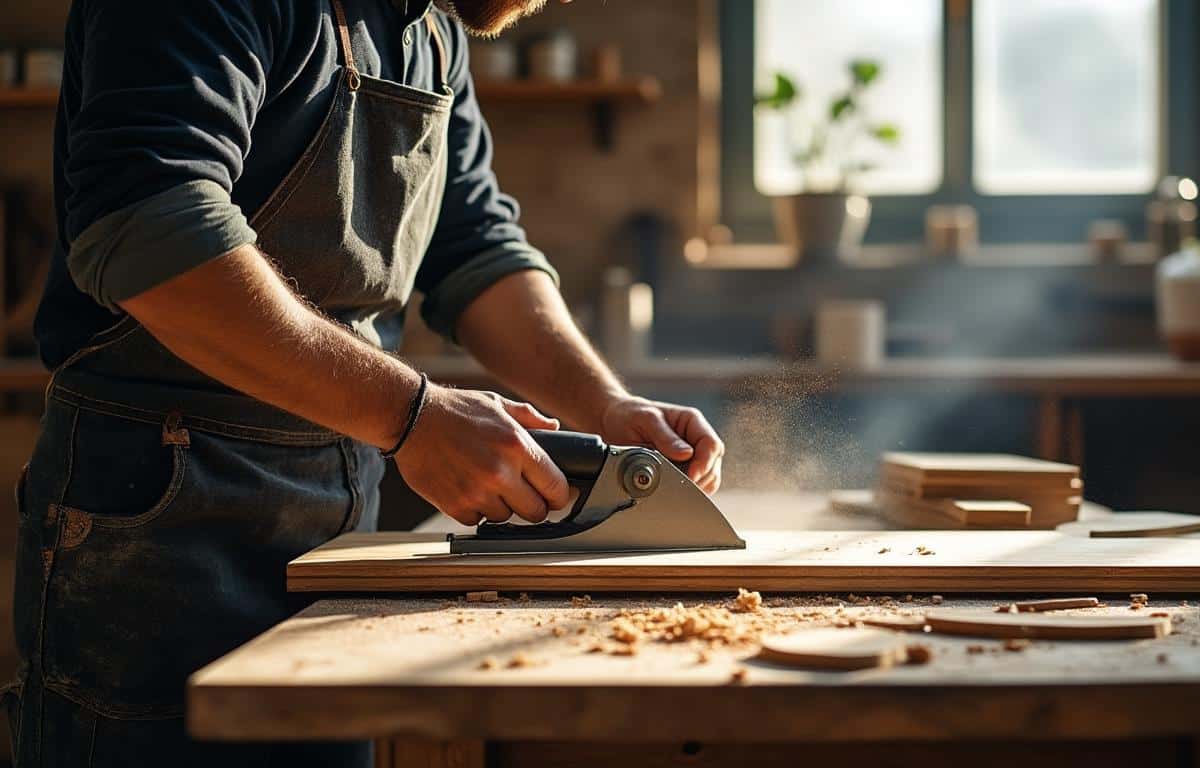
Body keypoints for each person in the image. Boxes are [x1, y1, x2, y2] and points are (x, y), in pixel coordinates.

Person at [5, 0, 724, 764]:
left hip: (335, 514)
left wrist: (604, 405)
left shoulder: (434, 26)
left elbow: (475, 246)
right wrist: (412, 415)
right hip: (155, 521)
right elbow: (157, 235)